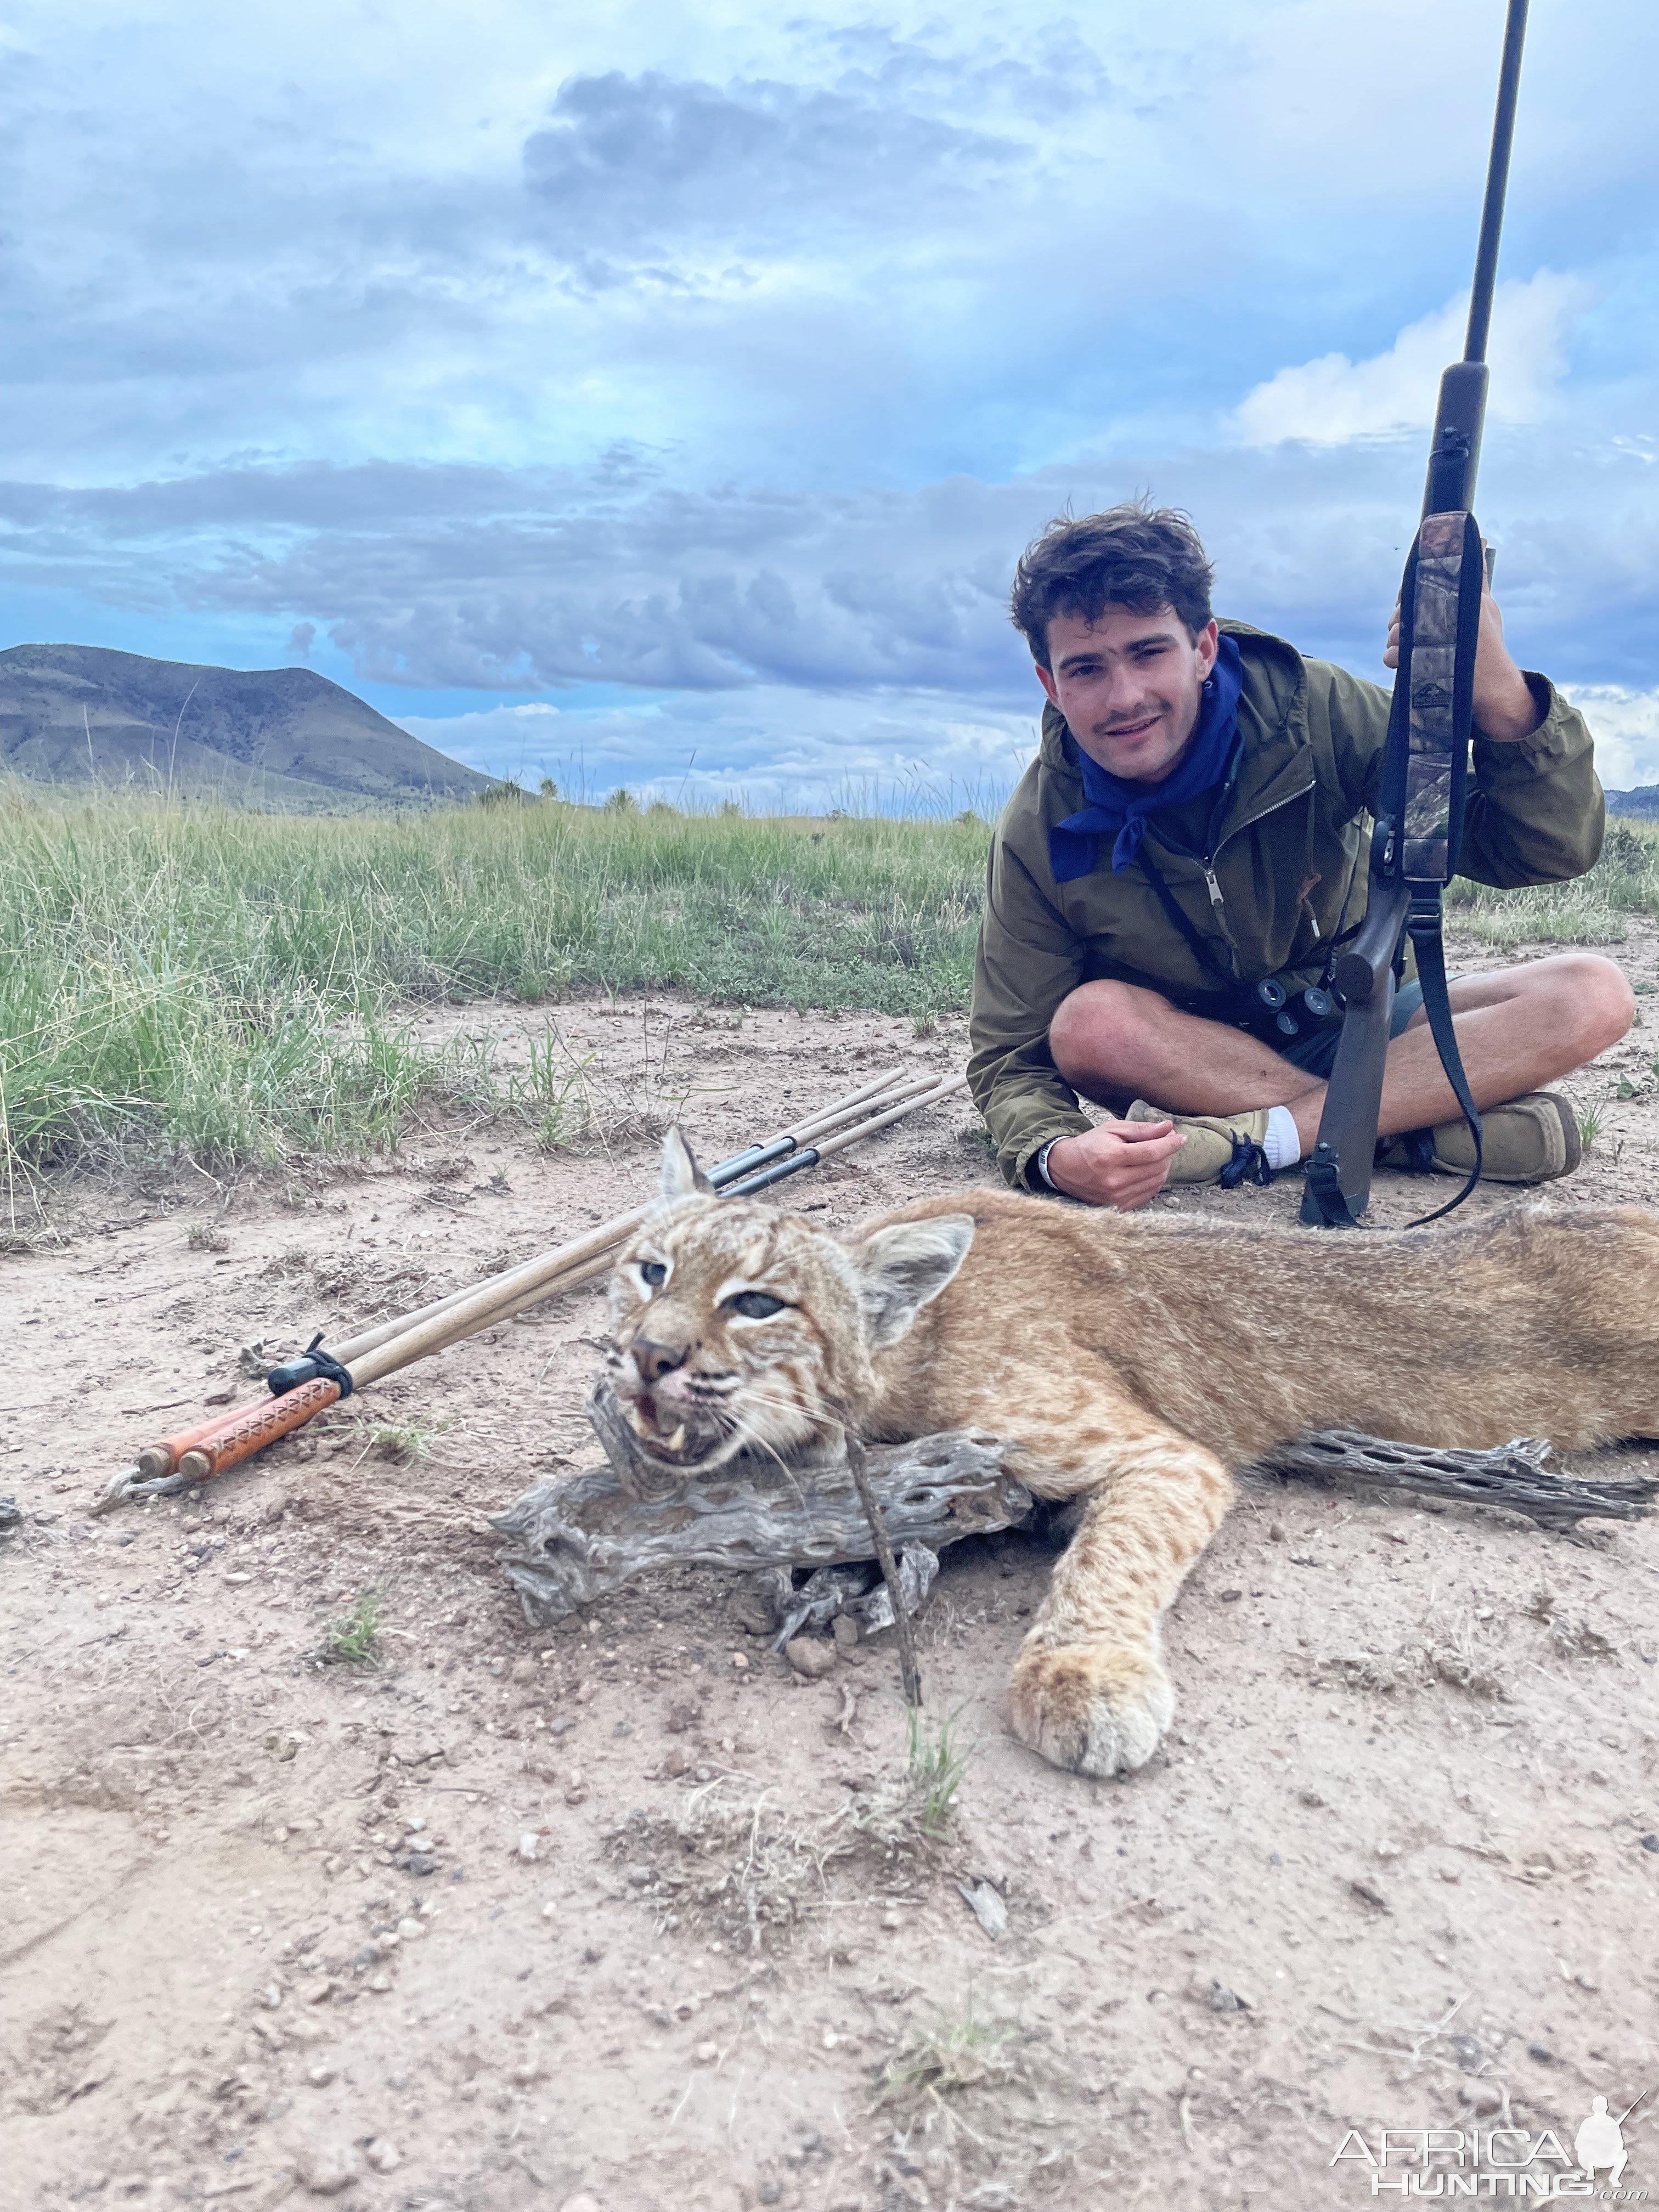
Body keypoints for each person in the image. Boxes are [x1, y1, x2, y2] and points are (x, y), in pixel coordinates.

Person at [968, 501, 1633, 1209]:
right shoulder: (1038, 824)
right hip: (1189, 1061)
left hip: (1355, 1021)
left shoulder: (1317, 711)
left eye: (1149, 652)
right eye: (1087, 668)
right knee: (1091, 1024)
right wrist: (1053, 1154)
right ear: (1050, 684)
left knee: (1590, 993)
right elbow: (1013, 1058)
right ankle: (1397, 1131)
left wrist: (1501, 697)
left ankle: (1264, 1141)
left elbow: (1535, 848)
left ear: (1204, 648)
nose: (1124, 697)